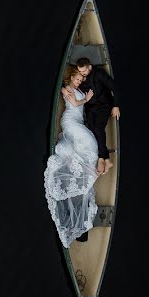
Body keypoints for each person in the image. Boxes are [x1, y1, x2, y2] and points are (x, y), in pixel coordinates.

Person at [44, 65, 99, 248]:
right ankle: (85, 169)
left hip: (77, 121)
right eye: (77, 79)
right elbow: (75, 104)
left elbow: (81, 97)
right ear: (70, 78)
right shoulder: (66, 88)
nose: (79, 82)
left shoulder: (76, 88)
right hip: (70, 120)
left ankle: (81, 168)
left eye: (80, 80)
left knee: (85, 146)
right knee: (90, 143)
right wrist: (87, 99)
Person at [75, 57, 120, 176]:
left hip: (104, 105)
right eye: (80, 72)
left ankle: (101, 158)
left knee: (99, 129)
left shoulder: (99, 74)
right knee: (92, 131)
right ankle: (107, 160)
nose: (82, 74)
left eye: (84, 71)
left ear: (89, 67)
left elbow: (115, 87)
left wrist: (116, 106)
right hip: (90, 108)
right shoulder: (80, 77)